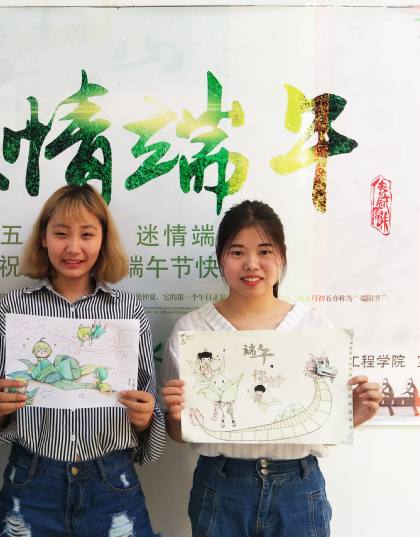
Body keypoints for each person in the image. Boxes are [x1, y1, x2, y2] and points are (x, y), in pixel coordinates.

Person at [161, 200, 383, 537]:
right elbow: (178, 433)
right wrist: (177, 416)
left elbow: (325, 423)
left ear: (282, 256)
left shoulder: (315, 328)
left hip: (299, 489)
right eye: (237, 252)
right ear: (220, 257)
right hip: (221, 488)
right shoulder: (192, 330)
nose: (251, 264)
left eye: (264, 251)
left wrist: (353, 414)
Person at [0, 184, 166, 536]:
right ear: (44, 237)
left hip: (111, 481)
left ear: (103, 239)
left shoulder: (128, 310)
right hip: (32, 480)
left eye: (87, 234)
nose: (73, 247)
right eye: (61, 233)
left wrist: (144, 418)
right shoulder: (15, 308)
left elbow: (146, 405)